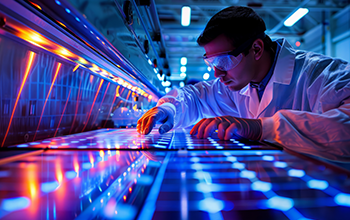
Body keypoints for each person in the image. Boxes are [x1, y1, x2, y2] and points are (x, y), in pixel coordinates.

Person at [137, 6, 350, 161]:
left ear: (256, 49)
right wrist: (168, 109)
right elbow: (197, 96)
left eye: (223, 61)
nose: (217, 72)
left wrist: (262, 128)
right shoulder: (239, 82)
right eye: (211, 62)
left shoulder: (323, 75)